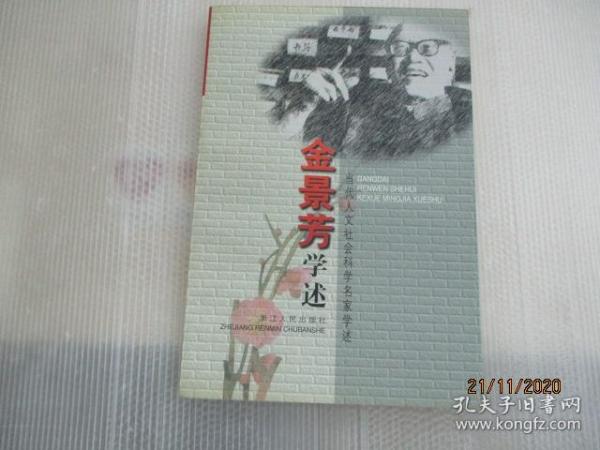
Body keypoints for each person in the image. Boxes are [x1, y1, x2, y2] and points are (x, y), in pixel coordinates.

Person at [276, 23, 472, 159]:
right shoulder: (351, 105)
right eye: (400, 49)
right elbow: (286, 149)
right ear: (389, 66)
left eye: (428, 48)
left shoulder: (472, 115)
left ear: (451, 63)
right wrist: (303, 105)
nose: (412, 57)